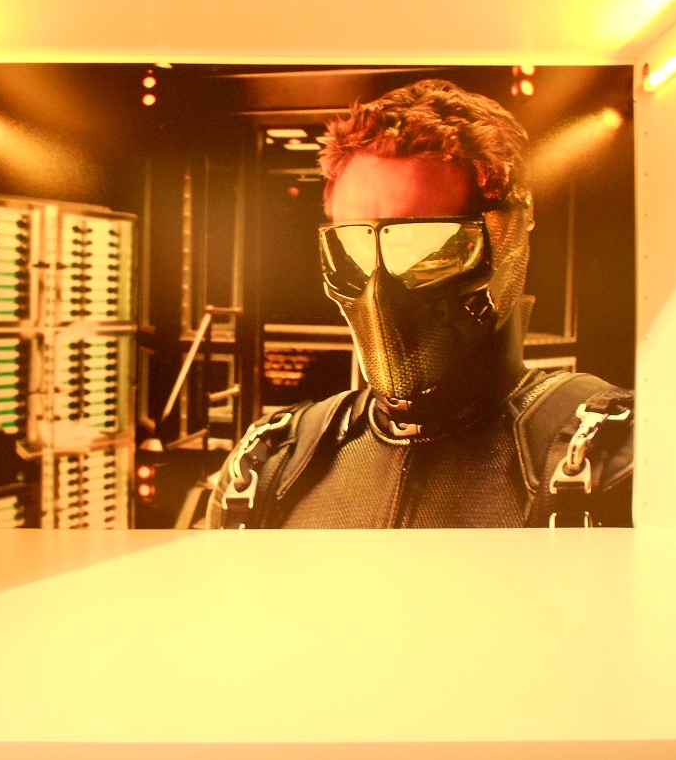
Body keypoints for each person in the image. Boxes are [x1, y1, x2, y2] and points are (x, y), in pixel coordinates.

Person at [204, 79, 633, 529]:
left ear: (503, 237)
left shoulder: (609, 460)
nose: (379, 289)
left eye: (424, 244)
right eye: (353, 244)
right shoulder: (272, 464)